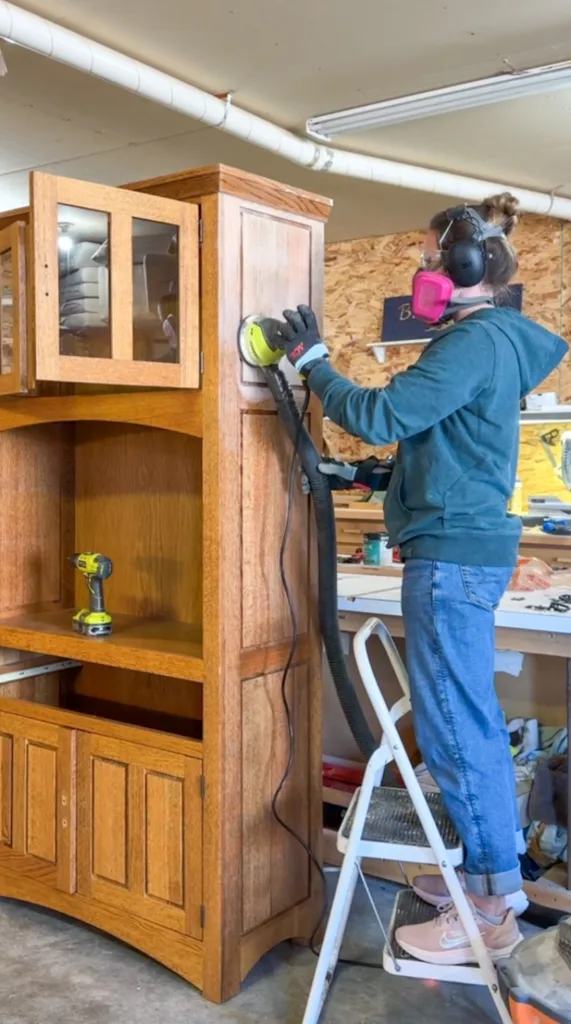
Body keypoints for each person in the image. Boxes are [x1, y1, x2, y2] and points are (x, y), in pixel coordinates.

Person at [277, 193, 568, 966]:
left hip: (449, 556)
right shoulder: (497, 341)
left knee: (453, 727)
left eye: (431, 256)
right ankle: (484, 874)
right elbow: (443, 440)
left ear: (467, 266)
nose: (420, 267)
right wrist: (385, 477)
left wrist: (312, 365)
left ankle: (490, 906)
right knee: (461, 720)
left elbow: (377, 413)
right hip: (458, 544)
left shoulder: (468, 344)